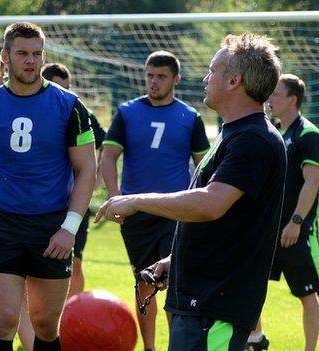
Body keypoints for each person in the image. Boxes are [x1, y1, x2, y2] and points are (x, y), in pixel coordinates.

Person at [95, 32, 285, 351]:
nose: (205, 78)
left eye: (212, 70)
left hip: (216, 306)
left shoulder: (253, 139)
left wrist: (137, 200)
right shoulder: (232, 135)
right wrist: (175, 259)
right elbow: (228, 222)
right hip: (200, 302)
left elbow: (212, 203)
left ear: (234, 81)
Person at [0, 22, 97, 351]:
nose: (30, 61)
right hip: (2, 225)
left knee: (45, 324)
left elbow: (87, 168)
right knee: (2, 322)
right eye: (22, 54)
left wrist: (69, 228)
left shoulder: (70, 106)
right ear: (6, 57)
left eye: (36, 54)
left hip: (51, 226)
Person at [98, 50, 210, 351]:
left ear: (176, 79)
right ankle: (149, 348)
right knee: (144, 282)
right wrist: (115, 197)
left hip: (176, 213)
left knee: (176, 282)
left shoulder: (190, 117)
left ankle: (179, 346)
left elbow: (205, 166)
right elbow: (107, 157)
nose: (153, 82)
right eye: (149, 75)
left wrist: (198, 202)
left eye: (161, 76)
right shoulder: (127, 112)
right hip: (137, 215)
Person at [246, 74, 319, 351]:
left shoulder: (307, 134)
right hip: (269, 229)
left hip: (295, 231)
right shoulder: (275, 132)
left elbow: (313, 182)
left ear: (292, 99)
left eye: (276, 94)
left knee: (308, 293)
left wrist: (296, 222)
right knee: (251, 283)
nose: (270, 99)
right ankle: (255, 338)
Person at [40, 62, 106, 298]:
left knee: (74, 262)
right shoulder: (32, 110)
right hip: (40, 204)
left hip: (74, 204)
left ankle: (70, 321)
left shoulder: (79, 111)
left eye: (68, 87)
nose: (65, 93)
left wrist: (95, 179)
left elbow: (105, 144)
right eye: (60, 88)